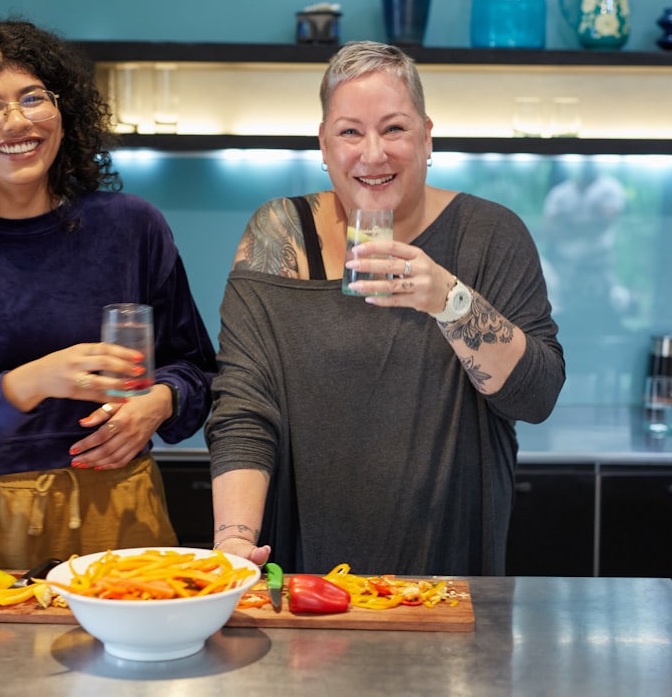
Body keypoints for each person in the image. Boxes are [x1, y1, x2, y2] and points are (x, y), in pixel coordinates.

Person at [0, 20, 217, 570]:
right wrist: (27, 384)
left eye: (33, 98)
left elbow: (198, 371)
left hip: (119, 515)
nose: (17, 121)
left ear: (62, 113)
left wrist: (161, 401)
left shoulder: (132, 228)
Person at [205, 41, 565, 577]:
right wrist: (235, 540)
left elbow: (535, 397)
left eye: (394, 128)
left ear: (427, 137)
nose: (373, 155)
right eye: (350, 132)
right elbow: (243, 406)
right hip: (301, 580)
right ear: (324, 145)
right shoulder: (279, 235)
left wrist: (451, 301)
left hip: (447, 574)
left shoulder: (490, 234)